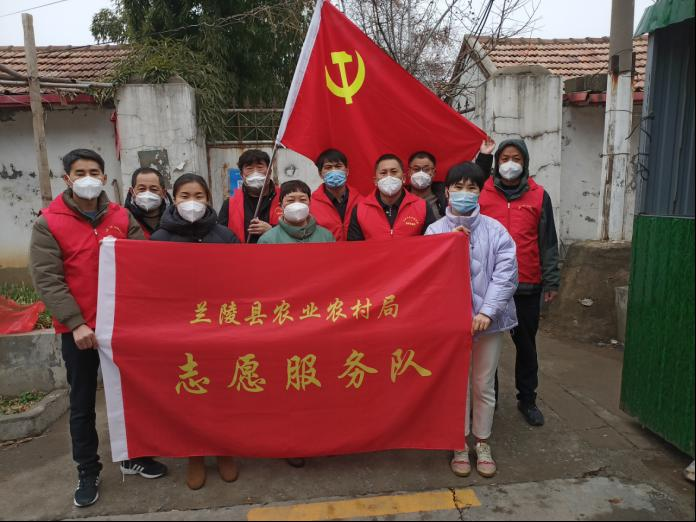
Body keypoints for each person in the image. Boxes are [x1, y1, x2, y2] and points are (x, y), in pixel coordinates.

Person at [29, 149, 167, 508]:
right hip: (80, 331)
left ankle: (134, 455)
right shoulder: (49, 223)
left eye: (94, 172)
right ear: (67, 179)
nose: (88, 178)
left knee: (133, 395)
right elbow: (48, 279)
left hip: (122, 327)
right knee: (82, 403)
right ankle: (88, 470)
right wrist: (76, 323)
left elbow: (142, 264)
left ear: (105, 178)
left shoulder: (121, 217)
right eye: (80, 172)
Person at [425, 161, 518, 479]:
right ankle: (459, 443)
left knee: (483, 384)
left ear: (480, 192)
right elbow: (428, 277)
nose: (464, 193)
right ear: (447, 191)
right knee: (457, 386)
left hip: (488, 324)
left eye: (472, 187)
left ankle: (482, 441)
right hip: (451, 326)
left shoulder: (496, 230)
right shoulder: (435, 231)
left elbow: (506, 275)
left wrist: (486, 312)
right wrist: (447, 246)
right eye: (458, 187)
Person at [151, 173, 238, 489]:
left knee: (222, 392)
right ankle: (195, 455)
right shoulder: (160, 239)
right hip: (180, 331)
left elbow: (242, 280)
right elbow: (152, 286)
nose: (192, 202)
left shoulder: (225, 236)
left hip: (220, 327)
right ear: (173, 199)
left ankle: (225, 450)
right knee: (189, 393)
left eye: (198, 196)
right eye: (185, 196)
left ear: (208, 199)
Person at [478, 139, 560, 427]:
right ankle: (489, 399)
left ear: (525, 163)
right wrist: (482, 158)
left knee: (526, 346)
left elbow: (548, 241)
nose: (510, 164)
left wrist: (551, 281)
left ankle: (527, 399)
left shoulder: (539, 196)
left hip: (526, 283)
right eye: (504, 158)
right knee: (486, 346)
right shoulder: (483, 193)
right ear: (496, 163)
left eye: (516, 158)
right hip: (489, 286)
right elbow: (468, 183)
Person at [347, 154, 437, 240]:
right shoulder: (360, 209)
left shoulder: (422, 207)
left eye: (394, 172)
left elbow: (432, 244)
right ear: (375, 181)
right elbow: (355, 248)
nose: (389, 176)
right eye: (383, 173)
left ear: (404, 178)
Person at [406, 139, 495, 220]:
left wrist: (485, 156)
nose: (421, 173)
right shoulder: (400, 196)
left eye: (426, 169)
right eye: (416, 169)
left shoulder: (446, 194)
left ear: (434, 172)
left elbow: (474, 179)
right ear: (409, 172)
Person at [217, 149, 283, 244]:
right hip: (241, 252)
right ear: (241, 174)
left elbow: (297, 230)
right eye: (249, 168)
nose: (255, 172)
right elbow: (219, 236)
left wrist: (272, 231)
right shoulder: (230, 204)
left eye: (260, 167)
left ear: (269, 172)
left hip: (277, 252)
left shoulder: (284, 198)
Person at [259, 180, 335, 244]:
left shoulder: (326, 236)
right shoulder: (268, 239)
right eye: (290, 200)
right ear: (281, 205)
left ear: (309, 203)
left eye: (303, 200)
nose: (297, 204)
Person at [310, 149, 362, 241]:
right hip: (326, 250)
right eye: (328, 167)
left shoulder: (361, 202)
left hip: (357, 249)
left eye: (338, 166)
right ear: (320, 174)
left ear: (347, 171)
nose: (334, 171)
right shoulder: (310, 205)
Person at [124, 167, 172, 238]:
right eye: (142, 189)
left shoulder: (176, 220)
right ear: (132, 192)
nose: (147, 194)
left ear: (163, 193)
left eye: (154, 189)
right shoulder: (123, 219)